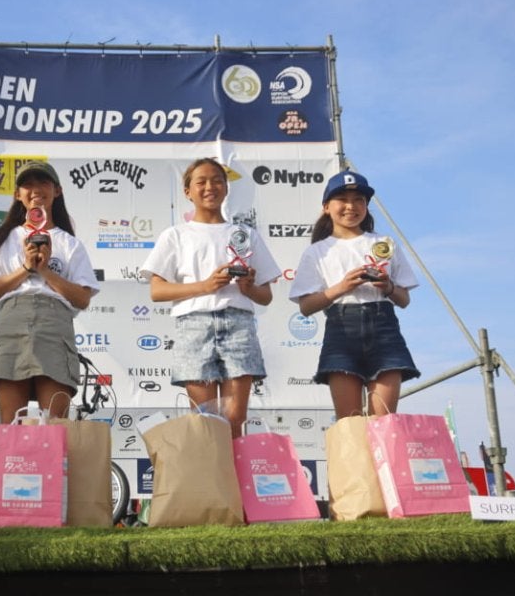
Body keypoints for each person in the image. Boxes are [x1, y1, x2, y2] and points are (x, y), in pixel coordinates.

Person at [140, 158, 281, 438]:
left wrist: (248, 286)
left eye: (217, 181)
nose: (210, 187)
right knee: (204, 419)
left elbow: (265, 296)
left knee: (235, 417)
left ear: (226, 188)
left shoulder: (245, 234)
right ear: (187, 191)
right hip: (194, 326)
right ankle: (210, 467)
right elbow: (157, 291)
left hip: (239, 325)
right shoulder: (175, 235)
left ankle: (234, 468)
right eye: (201, 182)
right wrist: (205, 286)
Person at [289, 169, 420, 420]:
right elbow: (306, 307)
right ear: (326, 207)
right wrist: (342, 287)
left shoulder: (384, 242)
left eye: (359, 200)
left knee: (383, 421)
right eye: (342, 199)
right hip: (341, 329)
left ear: (366, 206)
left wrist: (387, 287)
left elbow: (404, 300)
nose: (351, 206)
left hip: (384, 328)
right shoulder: (316, 252)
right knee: (349, 422)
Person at [0, 161, 99, 424]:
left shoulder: (70, 243)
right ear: (17, 194)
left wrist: (45, 271)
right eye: (27, 185)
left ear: (57, 190)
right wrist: (26, 268)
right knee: (11, 423)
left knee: (55, 422)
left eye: (43, 183)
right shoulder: (3, 239)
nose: (35, 190)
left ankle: (52, 454)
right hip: (12, 319)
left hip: (54, 323)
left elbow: (82, 298)